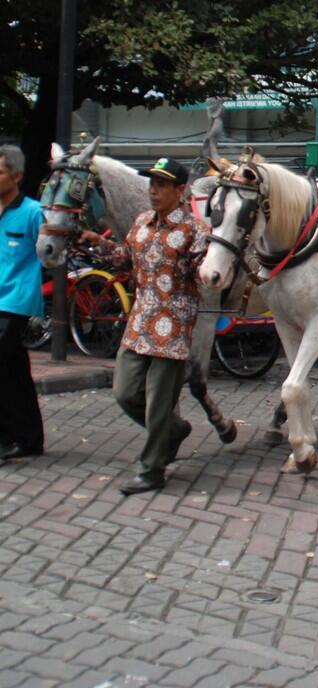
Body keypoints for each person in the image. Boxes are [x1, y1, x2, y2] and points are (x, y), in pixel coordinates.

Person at [79, 157, 207, 494]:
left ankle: (152, 469)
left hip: (172, 330)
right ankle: (174, 430)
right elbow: (126, 258)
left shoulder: (195, 231)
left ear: (181, 191)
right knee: (124, 392)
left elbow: (205, 275)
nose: (154, 191)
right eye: (152, 183)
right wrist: (96, 241)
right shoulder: (142, 222)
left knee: (159, 403)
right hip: (138, 324)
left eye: (162, 185)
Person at [0, 145, 46, 463]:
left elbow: (49, 250)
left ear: (16, 176)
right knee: (14, 369)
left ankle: (4, 440)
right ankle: (30, 438)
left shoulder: (32, 212)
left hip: (17, 300)